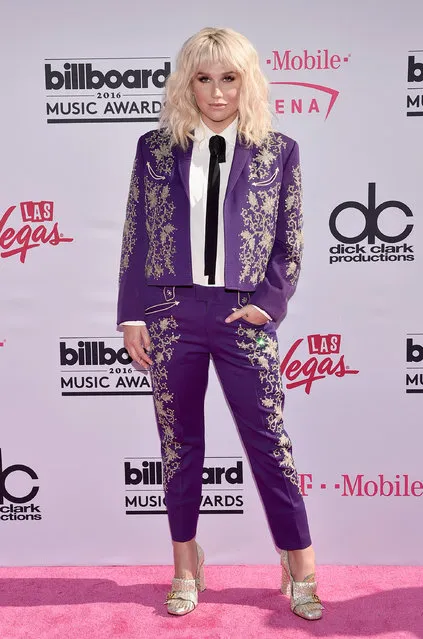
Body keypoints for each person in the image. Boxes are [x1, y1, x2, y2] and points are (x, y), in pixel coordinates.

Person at [117, 27, 323, 621]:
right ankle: (186, 565)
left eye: (228, 78)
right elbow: (137, 237)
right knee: (179, 445)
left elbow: (290, 242)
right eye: (203, 78)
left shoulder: (278, 149)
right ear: (187, 81)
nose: (215, 92)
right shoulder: (153, 149)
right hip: (169, 312)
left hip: (243, 316)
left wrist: (267, 305)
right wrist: (133, 314)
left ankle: (299, 564)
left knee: (268, 442)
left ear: (247, 81)